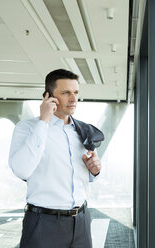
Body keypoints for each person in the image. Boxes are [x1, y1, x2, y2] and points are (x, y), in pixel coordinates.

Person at [9, 69, 102, 248]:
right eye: (66, 92)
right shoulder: (28, 128)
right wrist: (44, 120)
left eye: (75, 92)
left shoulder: (82, 131)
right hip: (44, 224)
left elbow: (83, 175)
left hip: (81, 221)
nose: (73, 99)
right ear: (48, 96)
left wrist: (94, 170)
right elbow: (21, 169)